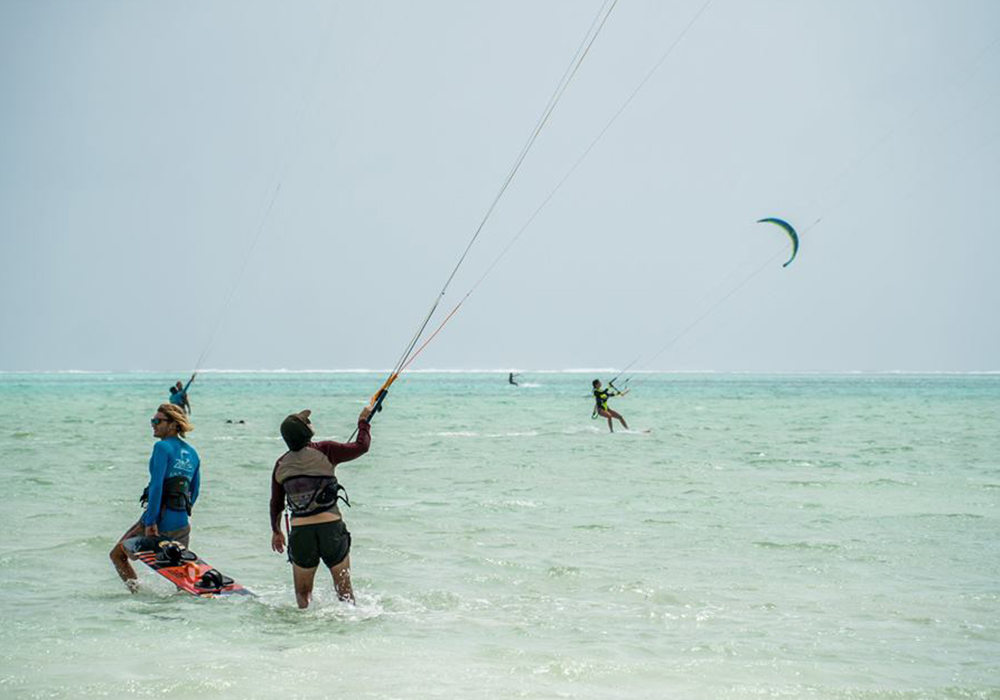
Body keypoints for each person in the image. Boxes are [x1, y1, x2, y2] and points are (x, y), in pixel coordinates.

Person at [270, 406, 372, 608]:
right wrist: (363, 422)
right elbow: (362, 446)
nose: (310, 422)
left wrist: (276, 531)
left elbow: (276, 503)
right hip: (331, 528)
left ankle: (305, 632)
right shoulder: (326, 450)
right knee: (344, 591)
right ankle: (350, 622)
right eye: (307, 421)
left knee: (303, 593)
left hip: (301, 534)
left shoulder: (280, 464)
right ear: (306, 430)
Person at [109, 403, 201, 591]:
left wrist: (151, 522)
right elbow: (195, 491)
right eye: (153, 420)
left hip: (157, 522)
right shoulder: (193, 453)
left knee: (117, 555)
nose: (153, 424)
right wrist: (179, 514)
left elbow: (157, 486)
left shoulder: (162, 447)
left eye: (158, 421)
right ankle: (182, 608)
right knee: (179, 577)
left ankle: (138, 593)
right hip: (182, 525)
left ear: (173, 424)